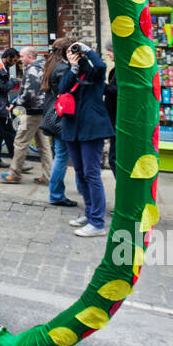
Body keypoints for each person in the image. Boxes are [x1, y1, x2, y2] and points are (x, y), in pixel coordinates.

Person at [60, 41, 114, 234]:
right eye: (68, 52)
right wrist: (73, 67)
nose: (72, 54)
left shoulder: (95, 71)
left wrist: (87, 50)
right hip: (72, 127)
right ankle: (90, 213)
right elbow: (62, 89)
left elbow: (100, 66)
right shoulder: (72, 71)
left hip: (91, 128)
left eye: (75, 51)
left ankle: (98, 222)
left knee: (92, 174)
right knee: (80, 173)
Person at [2, 46, 53, 185]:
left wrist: (16, 104)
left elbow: (30, 93)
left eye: (22, 56)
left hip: (31, 111)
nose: (20, 59)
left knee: (20, 142)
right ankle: (48, 177)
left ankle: (15, 174)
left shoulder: (32, 69)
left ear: (30, 57)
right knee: (44, 145)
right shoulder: (44, 66)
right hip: (42, 110)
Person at [41, 38, 79, 208]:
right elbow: (68, 92)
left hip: (54, 113)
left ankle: (64, 191)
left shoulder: (52, 65)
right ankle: (56, 194)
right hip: (61, 116)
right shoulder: (63, 69)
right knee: (62, 155)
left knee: (62, 153)